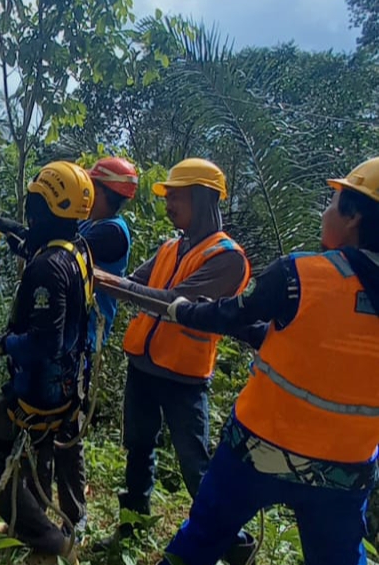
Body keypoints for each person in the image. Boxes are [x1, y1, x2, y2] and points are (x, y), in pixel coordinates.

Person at [116, 156, 379, 565]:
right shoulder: (173, 246)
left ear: (354, 216)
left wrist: (182, 310)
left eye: (332, 202)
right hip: (344, 469)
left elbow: (231, 314)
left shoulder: (299, 274)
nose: (325, 211)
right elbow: (311, 344)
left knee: (200, 539)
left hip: (258, 447)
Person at [93, 158, 254, 562]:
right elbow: (136, 282)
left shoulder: (228, 258)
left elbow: (170, 301)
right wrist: (97, 276)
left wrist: (101, 279)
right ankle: (131, 528)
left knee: (194, 465)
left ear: (202, 198)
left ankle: (233, 546)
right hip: (144, 366)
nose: (167, 205)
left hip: (184, 377)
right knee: (138, 449)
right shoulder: (171, 246)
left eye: (175, 197)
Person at [0, 156, 138, 538]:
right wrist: (5, 225)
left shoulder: (109, 232)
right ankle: (44, 520)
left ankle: (69, 523)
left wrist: (2, 344)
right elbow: (44, 242)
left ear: (103, 191)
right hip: (67, 340)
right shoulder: (83, 231)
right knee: (47, 439)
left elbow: (48, 248)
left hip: (74, 344)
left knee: (64, 437)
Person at [0, 160, 95, 561]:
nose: (30, 213)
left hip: (39, 389)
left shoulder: (48, 268)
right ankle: (39, 524)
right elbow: (29, 238)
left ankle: (51, 542)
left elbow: (44, 342)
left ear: (45, 208)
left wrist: (2, 344)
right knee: (39, 456)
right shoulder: (76, 249)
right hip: (67, 384)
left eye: (34, 204)